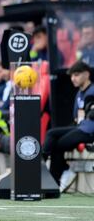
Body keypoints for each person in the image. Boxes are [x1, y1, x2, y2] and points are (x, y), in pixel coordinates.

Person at [43, 61, 94, 192]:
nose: (73, 78)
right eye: (71, 76)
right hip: (81, 128)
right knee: (53, 136)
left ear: (87, 74)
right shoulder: (79, 93)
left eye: (76, 75)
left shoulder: (93, 90)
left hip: (90, 130)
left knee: (55, 140)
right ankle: (54, 181)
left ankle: (42, 167)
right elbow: (77, 119)